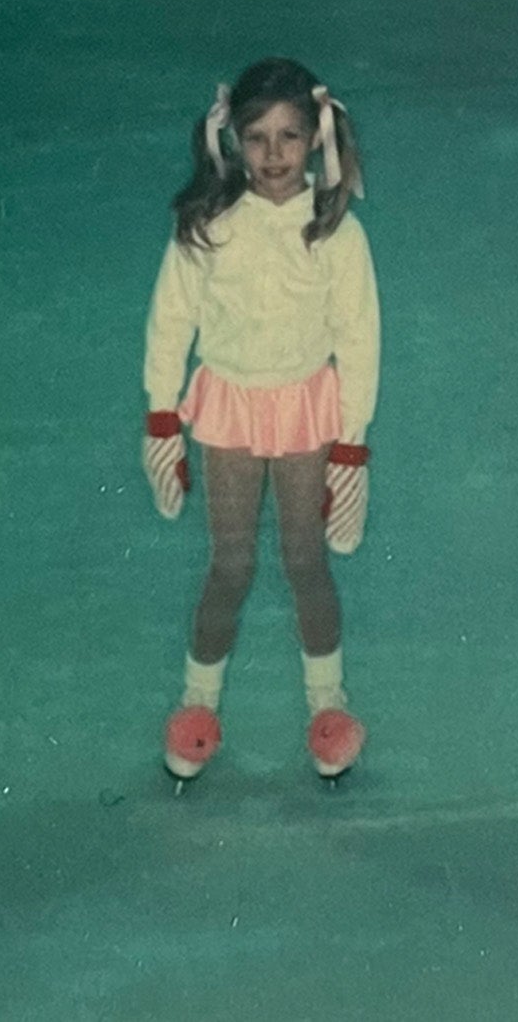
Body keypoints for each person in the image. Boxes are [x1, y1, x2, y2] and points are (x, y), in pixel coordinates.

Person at [139, 58, 379, 782]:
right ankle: (197, 702)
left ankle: (327, 703)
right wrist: (160, 418)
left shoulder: (336, 232)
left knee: (306, 561)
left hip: (308, 413)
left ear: (316, 139)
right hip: (230, 414)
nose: (273, 155)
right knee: (231, 565)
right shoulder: (207, 227)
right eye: (256, 138)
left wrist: (351, 445)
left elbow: (360, 338)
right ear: (231, 142)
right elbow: (168, 323)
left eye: (289, 136)